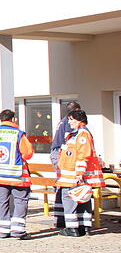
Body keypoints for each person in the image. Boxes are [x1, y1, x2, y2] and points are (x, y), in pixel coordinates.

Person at [0, 109, 35, 239]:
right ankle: (18, 231)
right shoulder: (18, 134)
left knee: (1, 202)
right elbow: (28, 153)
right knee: (20, 201)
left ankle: (3, 231)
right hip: (17, 176)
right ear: (13, 119)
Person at [54, 109, 105, 236]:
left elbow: (83, 155)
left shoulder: (82, 134)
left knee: (70, 198)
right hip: (73, 174)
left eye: (72, 119)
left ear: (79, 120)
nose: (69, 122)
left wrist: (79, 173)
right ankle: (84, 227)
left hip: (74, 175)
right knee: (82, 198)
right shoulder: (77, 134)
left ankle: (72, 228)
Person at [49, 101, 81, 229]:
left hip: (57, 153)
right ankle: (68, 221)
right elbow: (71, 141)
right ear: (76, 110)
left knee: (62, 185)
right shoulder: (69, 122)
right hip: (62, 154)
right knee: (66, 185)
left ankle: (59, 218)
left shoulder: (63, 120)